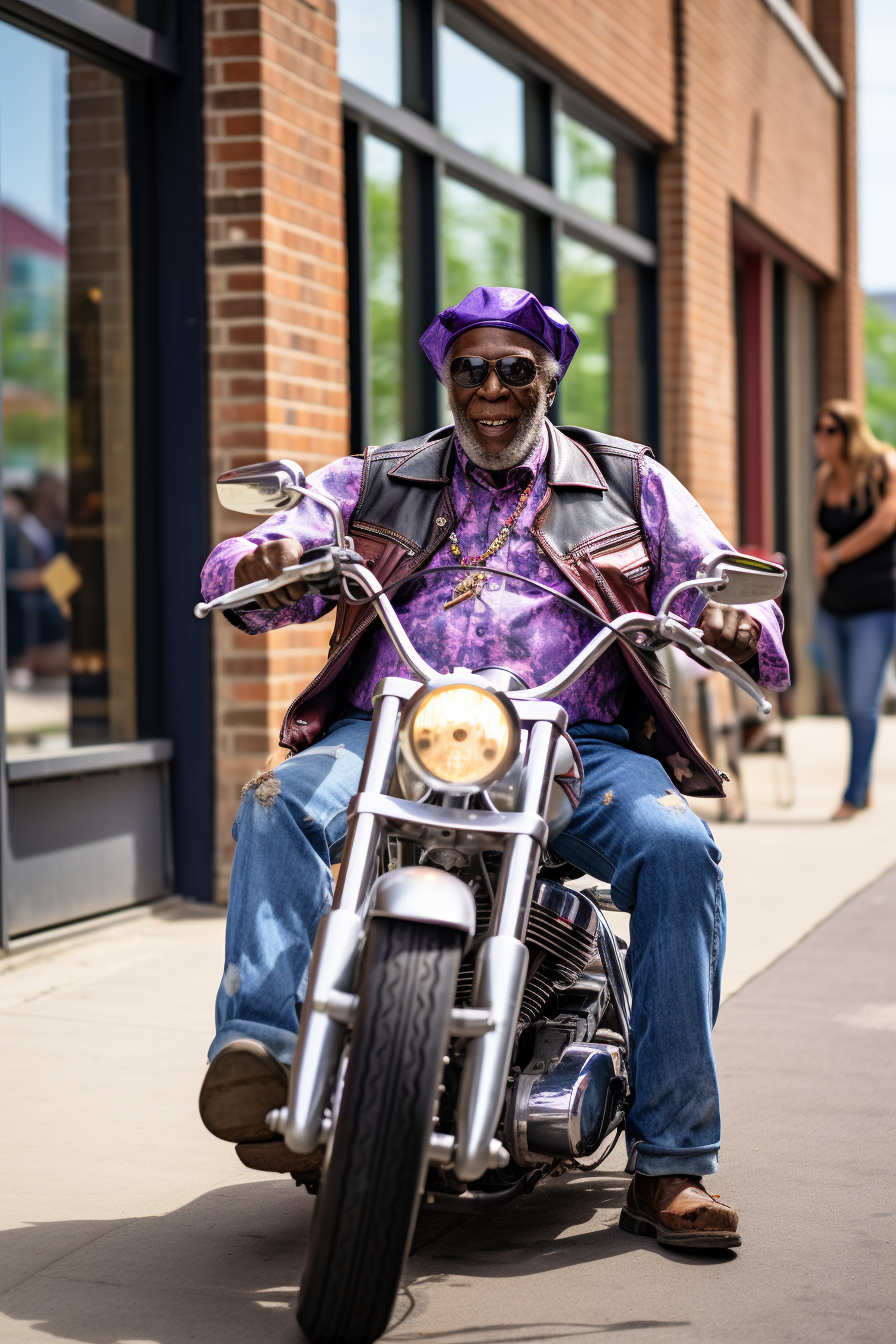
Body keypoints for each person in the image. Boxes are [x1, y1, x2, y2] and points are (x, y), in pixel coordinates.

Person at [198, 287, 789, 1249]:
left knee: (679, 851)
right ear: (448, 378)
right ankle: (261, 1049)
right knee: (277, 803)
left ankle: (674, 1160)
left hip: (573, 738)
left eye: (514, 370)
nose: (490, 390)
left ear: (546, 381)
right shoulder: (380, 477)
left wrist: (732, 617)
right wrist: (266, 555)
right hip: (401, 728)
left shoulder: (625, 479)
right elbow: (287, 540)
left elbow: (714, 569)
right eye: (470, 369)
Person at [813, 399, 896, 821]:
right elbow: (817, 531)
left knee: (863, 704)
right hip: (833, 607)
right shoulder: (824, 479)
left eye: (832, 429)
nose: (822, 437)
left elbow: (888, 519)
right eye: (818, 428)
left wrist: (838, 555)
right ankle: (862, 785)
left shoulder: (885, 465)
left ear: (850, 432)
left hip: (877, 605)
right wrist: (818, 573)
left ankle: (854, 794)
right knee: (849, 703)